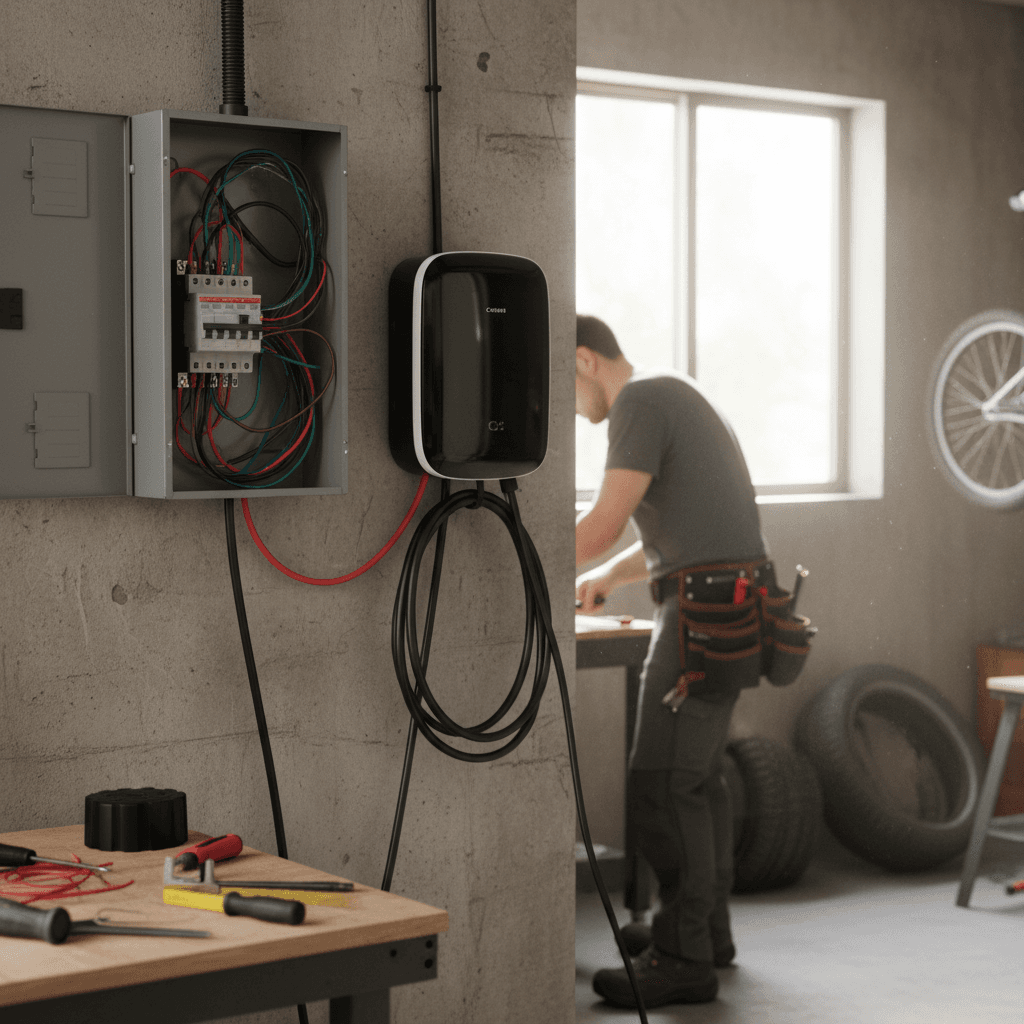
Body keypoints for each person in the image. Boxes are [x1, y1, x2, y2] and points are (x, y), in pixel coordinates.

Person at [575, 313, 773, 1009]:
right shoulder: (672, 391)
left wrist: (515, 549)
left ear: (583, 361)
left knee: (663, 786)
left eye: (568, 391)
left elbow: (600, 524)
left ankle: (682, 957)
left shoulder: (638, 403)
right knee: (699, 782)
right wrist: (609, 579)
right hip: (733, 606)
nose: (577, 411)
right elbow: (678, 533)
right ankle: (701, 930)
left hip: (700, 617)